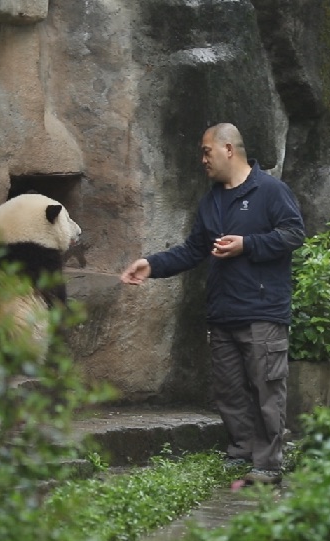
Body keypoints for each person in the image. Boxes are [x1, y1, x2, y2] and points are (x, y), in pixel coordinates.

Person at [120, 122, 305, 485]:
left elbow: (293, 233)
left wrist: (247, 244)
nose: (202, 159)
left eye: (206, 151)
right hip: (223, 313)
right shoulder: (212, 199)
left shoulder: (271, 191)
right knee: (229, 389)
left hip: (262, 311)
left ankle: (268, 464)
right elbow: (194, 250)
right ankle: (241, 452)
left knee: (267, 389)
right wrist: (152, 265)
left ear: (229, 149)